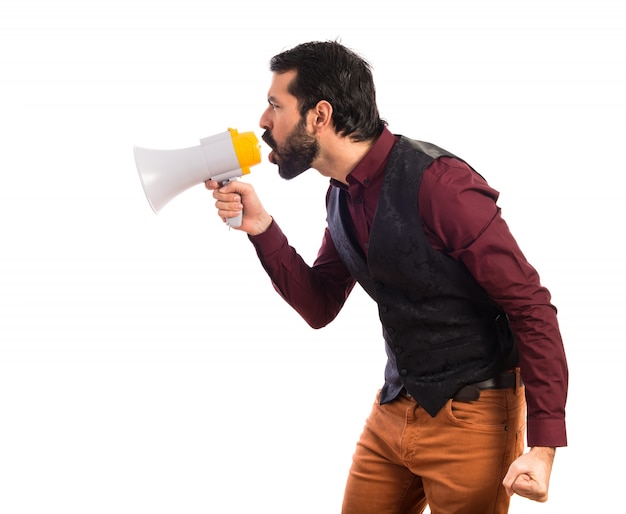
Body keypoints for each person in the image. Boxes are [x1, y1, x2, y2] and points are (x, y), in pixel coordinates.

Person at [206, 41, 568, 514]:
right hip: (394, 408)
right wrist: (261, 229)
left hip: (473, 418)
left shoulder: (442, 186)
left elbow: (531, 307)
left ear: (320, 115)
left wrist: (543, 447)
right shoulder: (340, 195)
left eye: (276, 105)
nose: (263, 120)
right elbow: (320, 305)